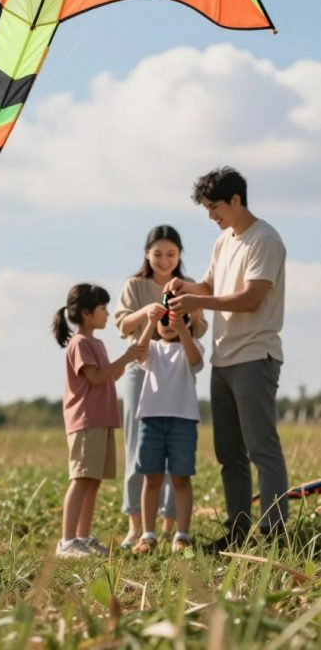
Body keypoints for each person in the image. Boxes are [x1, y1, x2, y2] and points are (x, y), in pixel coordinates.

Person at [167, 166, 289, 552]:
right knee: (229, 454)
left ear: (236, 200)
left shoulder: (264, 240)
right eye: (206, 208)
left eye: (214, 206)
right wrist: (183, 286)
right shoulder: (225, 242)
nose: (210, 215)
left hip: (255, 356)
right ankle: (238, 533)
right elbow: (210, 286)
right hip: (223, 361)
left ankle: (273, 534)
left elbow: (251, 299)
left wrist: (197, 300)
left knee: (261, 450)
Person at [115, 225, 207, 548]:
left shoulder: (186, 287)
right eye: (158, 254)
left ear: (179, 255)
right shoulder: (135, 285)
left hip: (177, 366)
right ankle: (136, 525)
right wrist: (147, 314)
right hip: (141, 366)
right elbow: (122, 324)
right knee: (138, 450)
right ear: (147, 254)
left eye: (171, 254)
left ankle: (171, 524)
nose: (164, 260)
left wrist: (189, 312)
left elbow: (200, 329)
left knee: (176, 457)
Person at [52, 283, 143, 558]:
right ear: (87, 313)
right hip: (85, 421)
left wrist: (126, 361)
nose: (107, 313)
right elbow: (95, 378)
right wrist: (127, 357)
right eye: (103, 308)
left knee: (93, 480)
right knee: (81, 479)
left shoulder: (96, 343)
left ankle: (82, 537)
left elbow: (109, 375)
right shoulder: (80, 344)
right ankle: (67, 542)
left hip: (101, 420)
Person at [132, 297, 204, 554]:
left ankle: (182, 535)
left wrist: (184, 329)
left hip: (183, 421)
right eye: (165, 320)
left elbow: (195, 362)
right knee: (151, 479)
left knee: (181, 478)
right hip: (151, 420)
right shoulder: (151, 347)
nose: (168, 324)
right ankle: (148, 535)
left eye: (175, 318)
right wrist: (150, 322)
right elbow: (138, 355)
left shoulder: (191, 345)